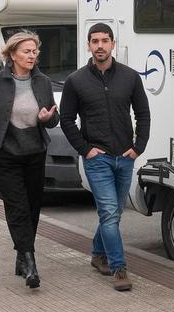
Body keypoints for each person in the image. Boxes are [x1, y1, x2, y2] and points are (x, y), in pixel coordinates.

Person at [59, 23, 150, 291]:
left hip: (125, 157)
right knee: (110, 212)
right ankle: (118, 268)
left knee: (115, 213)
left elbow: (143, 114)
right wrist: (85, 149)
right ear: (88, 45)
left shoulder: (130, 77)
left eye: (105, 40)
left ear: (112, 44)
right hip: (97, 159)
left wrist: (138, 147)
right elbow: (66, 120)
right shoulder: (76, 81)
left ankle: (98, 254)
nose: (100, 45)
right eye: (95, 41)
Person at [0, 31, 59, 288]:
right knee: (18, 207)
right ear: (12, 55)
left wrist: (47, 119)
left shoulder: (42, 81)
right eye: (26, 51)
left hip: (35, 154)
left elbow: (54, 117)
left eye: (34, 51)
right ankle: (30, 263)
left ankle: (22, 254)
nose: (32, 56)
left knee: (33, 207)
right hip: (6, 156)